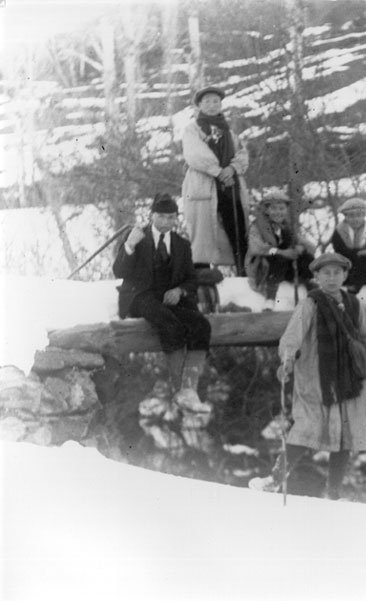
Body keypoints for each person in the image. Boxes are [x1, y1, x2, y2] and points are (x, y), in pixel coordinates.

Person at [253, 253, 366, 499]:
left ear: (345, 275)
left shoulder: (354, 304)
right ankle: (274, 479)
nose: (332, 278)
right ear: (317, 276)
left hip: (351, 380)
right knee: (305, 429)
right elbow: (293, 336)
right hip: (317, 379)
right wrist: (287, 361)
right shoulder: (310, 303)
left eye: (336, 273)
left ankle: (334, 492)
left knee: (346, 434)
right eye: (326, 273)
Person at [113, 193, 212, 413]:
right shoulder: (138, 237)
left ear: (176, 218)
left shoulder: (181, 244)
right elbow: (118, 271)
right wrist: (129, 246)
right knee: (170, 323)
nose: (166, 222)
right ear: (151, 216)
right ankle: (180, 390)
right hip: (140, 297)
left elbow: (191, 278)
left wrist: (180, 290)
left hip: (169, 298)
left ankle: (190, 390)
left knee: (201, 325)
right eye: (161, 217)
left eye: (171, 217)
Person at [181, 86, 250, 275]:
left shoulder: (228, 131)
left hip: (229, 187)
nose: (212, 105)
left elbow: (242, 154)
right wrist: (218, 171)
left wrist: (232, 168)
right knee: (202, 232)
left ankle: (243, 272)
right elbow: (195, 154)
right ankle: (201, 276)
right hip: (203, 186)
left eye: (216, 102)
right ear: (199, 105)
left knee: (237, 228)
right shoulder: (192, 129)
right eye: (207, 101)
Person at [245, 191, 316, 310]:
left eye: (281, 208)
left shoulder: (286, 227)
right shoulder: (257, 227)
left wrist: (301, 248)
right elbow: (257, 248)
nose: (278, 212)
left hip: (284, 266)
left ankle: (308, 285)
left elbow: (309, 246)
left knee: (306, 257)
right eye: (274, 208)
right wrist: (280, 252)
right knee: (278, 258)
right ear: (266, 210)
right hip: (264, 264)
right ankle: (270, 298)